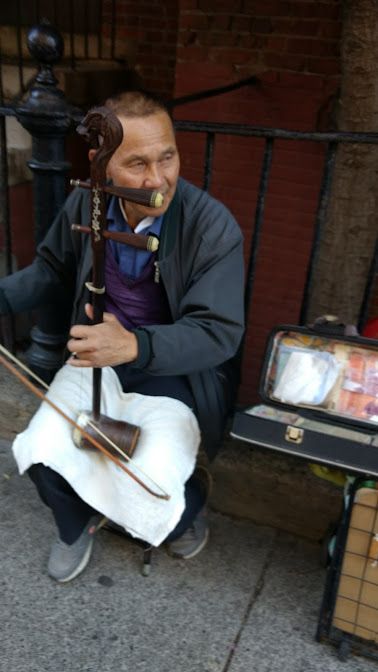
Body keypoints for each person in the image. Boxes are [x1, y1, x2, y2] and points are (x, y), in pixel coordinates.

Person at [0, 90, 245, 582]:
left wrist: (136, 345)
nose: (158, 179)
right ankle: (75, 523)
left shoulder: (211, 225)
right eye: (137, 163)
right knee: (41, 449)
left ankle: (182, 512)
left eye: (168, 157)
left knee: (151, 485)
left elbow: (218, 332)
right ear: (100, 163)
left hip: (173, 369)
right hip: (97, 359)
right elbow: (51, 266)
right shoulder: (86, 198)